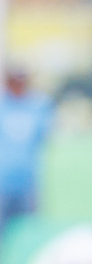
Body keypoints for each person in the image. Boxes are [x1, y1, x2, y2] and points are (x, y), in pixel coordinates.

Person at [0, 68, 53, 236]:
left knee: (28, 233)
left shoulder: (39, 106)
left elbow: (42, 137)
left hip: (27, 182)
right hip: (2, 182)